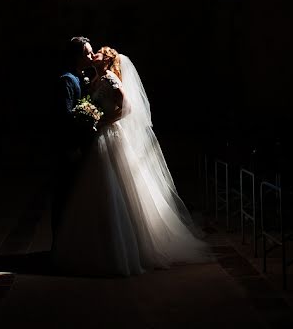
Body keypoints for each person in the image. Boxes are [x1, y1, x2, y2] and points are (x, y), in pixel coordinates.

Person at [51, 45, 212, 276]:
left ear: (106, 60)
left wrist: (103, 120)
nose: (93, 54)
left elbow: (127, 108)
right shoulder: (94, 79)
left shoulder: (110, 79)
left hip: (110, 136)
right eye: (90, 51)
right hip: (98, 138)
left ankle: (122, 247)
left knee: (115, 188)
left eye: (97, 52)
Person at [49, 36, 97, 249]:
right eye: (87, 53)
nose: (91, 56)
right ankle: (59, 245)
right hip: (70, 147)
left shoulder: (82, 77)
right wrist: (72, 146)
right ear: (76, 56)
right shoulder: (67, 80)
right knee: (64, 196)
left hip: (82, 146)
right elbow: (64, 116)